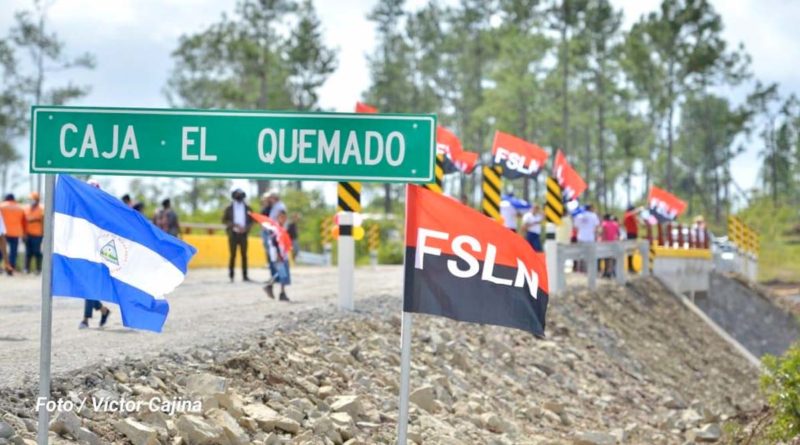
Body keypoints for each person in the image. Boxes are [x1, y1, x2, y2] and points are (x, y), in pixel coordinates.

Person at [81, 180, 111, 328]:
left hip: (98, 252)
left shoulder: (102, 209)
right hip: (83, 250)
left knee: (88, 285)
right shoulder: (83, 207)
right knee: (86, 285)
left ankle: (86, 320)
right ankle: (103, 310)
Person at [222, 189, 253, 282]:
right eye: (237, 195)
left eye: (241, 195)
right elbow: (224, 220)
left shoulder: (248, 208)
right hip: (233, 234)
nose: (239, 197)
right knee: (233, 255)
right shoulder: (229, 208)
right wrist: (234, 225)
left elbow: (252, 221)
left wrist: (246, 228)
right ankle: (231, 276)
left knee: (244, 255)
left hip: (244, 234)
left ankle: (245, 276)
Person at [263, 211, 291, 301]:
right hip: (278, 255)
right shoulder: (275, 229)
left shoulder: (282, 228)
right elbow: (274, 241)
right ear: (278, 218)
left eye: (284, 217)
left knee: (282, 274)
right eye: (281, 217)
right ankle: (273, 288)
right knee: (282, 274)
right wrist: (279, 254)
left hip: (282, 254)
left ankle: (276, 289)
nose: (283, 219)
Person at [0, 194, 25, 271]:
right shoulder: (20, 207)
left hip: (4, 232)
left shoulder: (1, 206)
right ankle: (11, 267)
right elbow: (24, 221)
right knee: (13, 252)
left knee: (1, 250)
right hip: (16, 232)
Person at [573, 204, 600, 273]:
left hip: (581, 237)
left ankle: (580, 270)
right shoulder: (593, 215)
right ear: (590, 208)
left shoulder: (579, 216)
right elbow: (597, 226)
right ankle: (588, 269)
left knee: (580, 254)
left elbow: (575, 226)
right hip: (590, 238)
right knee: (590, 254)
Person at [23, 192, 44, 274]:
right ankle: (26, 269)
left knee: (37, 252)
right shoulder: (26, 209)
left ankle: (38, 269)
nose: (31, 201)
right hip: (27, 234)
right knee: (28, 252)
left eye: (32, 199)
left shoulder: (41, 210)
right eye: (30, 199)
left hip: (37, 234)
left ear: (37, 200)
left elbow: (43, 222)